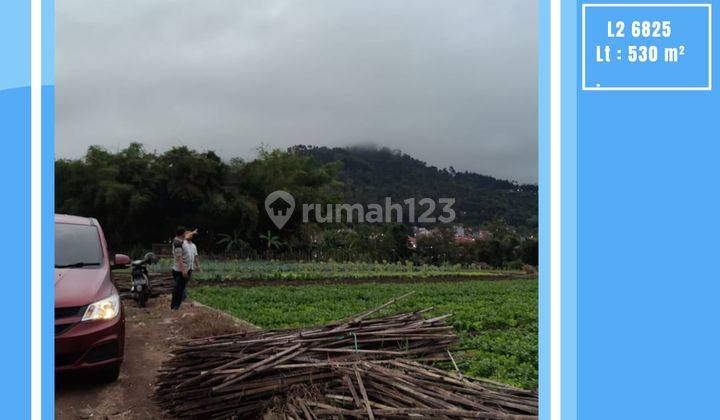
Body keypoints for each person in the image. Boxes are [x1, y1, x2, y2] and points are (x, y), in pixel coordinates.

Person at [170, 226, 192, 310]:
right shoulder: (178, 244)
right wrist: (184, 271)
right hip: (180, 271)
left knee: (179, 288)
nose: (186, 234)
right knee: (179, 289)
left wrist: (192, 233)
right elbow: (179, 258)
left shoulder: (180, 240)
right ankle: (175, 306)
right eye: (185, 232)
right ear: (182, 234)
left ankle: (175, 306)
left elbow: (187, 235)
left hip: (183, 269)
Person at [182, 229, 200, 301]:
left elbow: (196, 256)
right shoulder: (183, 243)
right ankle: (183, 297)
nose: (191, 235)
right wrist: (192, 232)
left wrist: (198, 265)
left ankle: (183, 296)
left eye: (191, 235)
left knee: (185, 282)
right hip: (183, 266)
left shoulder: (193, 245)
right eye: (189, 234)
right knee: (182, 281)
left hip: (190, 267)